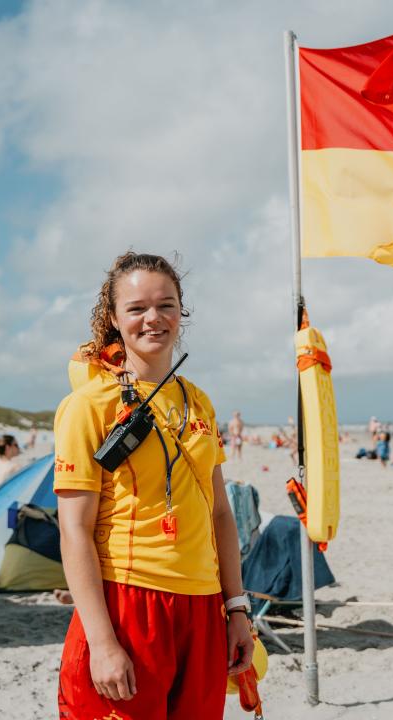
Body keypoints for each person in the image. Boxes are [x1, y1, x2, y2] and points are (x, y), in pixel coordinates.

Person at [54, 252, 253, 720]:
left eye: (166, 304)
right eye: (137, 307)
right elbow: (74, 531)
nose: (153, 318)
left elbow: (220, 513)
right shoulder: (89, 405)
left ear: (181, 311)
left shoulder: (197, 401)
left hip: (204, 608)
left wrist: (237, 609)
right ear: (114, 318)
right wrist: (102, 643)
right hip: (127, 601)